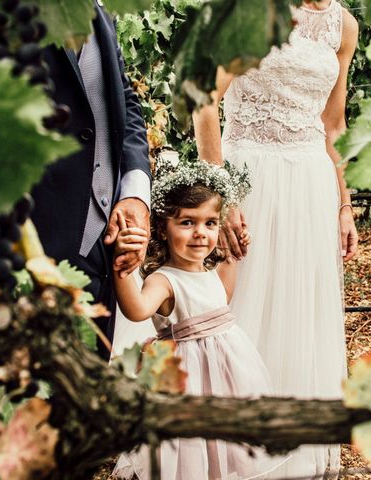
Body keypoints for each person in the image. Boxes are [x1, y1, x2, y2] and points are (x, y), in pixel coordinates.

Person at [192, 0, 359, 477]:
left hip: (312, 186)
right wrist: (219, 194)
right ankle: (223, 449)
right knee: (238, 309)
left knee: (299, 311)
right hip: (250, 178)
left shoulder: (343, 25)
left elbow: (334, 125)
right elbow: (204, 96)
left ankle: (292, 451)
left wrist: (344, 205)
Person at [111, 157, 288, 480]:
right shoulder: (164, 280)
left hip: (227, 377)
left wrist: (233, 255)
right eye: (187, 222)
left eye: (209, 223)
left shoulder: (209, 273)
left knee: (219, 447)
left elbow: (224, 297)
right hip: (185, 382)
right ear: (163, 229)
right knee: (187, 452)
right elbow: (137, 309)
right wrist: (122, 268)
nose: (200, 234)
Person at [31, 1, 151, 360]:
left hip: (103, 246)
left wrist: (134, 194)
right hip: (35, 242)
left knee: (90, 394)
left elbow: (125, 103)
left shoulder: (101, 13)